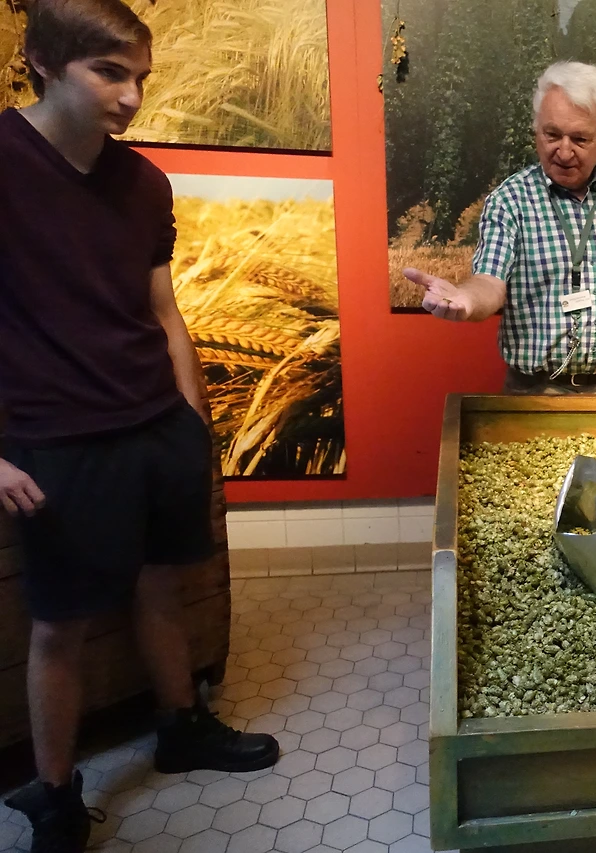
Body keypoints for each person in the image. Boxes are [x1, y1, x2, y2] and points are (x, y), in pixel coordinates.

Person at [0, 2, 279, 851]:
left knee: (163, 584)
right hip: (58, 437)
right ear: (45, 61)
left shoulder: (145, 184)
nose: (131, 97)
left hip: (156, 423)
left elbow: (164, 311)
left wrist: (192, 423)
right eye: (109, 73)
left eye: (141, 78)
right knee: (60, 623)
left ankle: (180, 724)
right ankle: (55, 793)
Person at [402, 61, 596, 436]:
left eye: (580, 139)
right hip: (532, 396)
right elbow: (489, 281)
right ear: (536, 131)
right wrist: (465, 300)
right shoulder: (509, 201)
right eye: (552, 135)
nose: (563, 151)